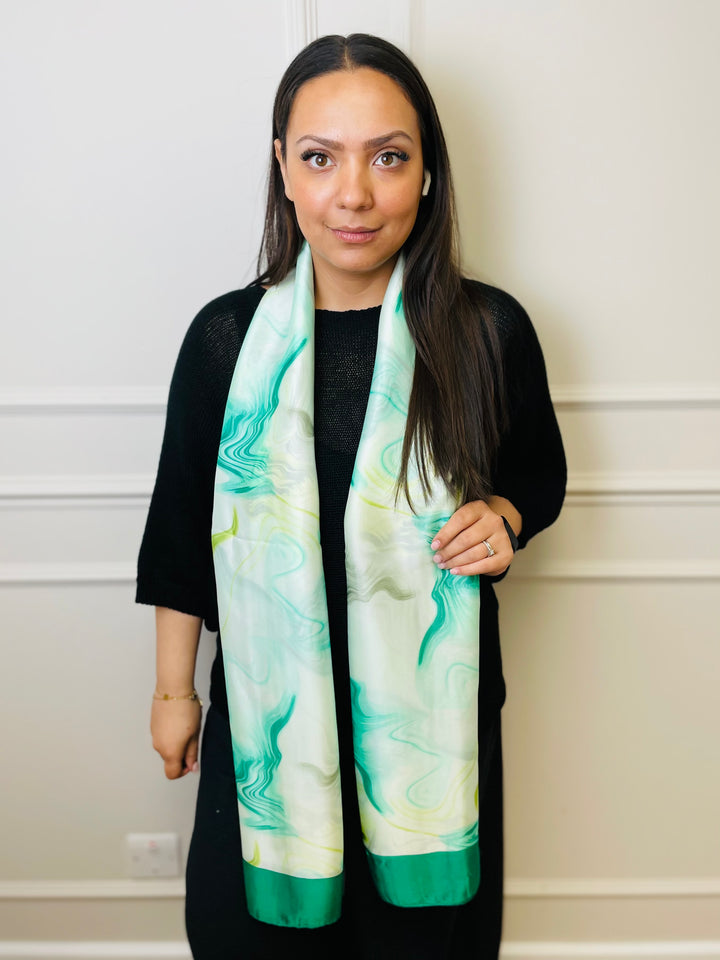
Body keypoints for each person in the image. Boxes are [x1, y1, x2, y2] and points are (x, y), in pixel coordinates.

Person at [136, 33, 566, 960]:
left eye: (389, 157)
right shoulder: (225, 339)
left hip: (435, 723)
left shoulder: (487, 330)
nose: (355, 194)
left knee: (421, 943)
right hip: (267, 714)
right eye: (321, 158)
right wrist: (174, 693)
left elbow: (536, 479)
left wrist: (504, 519)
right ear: (284, 169)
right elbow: (179, 533)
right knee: (250, 938)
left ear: (427, 170)